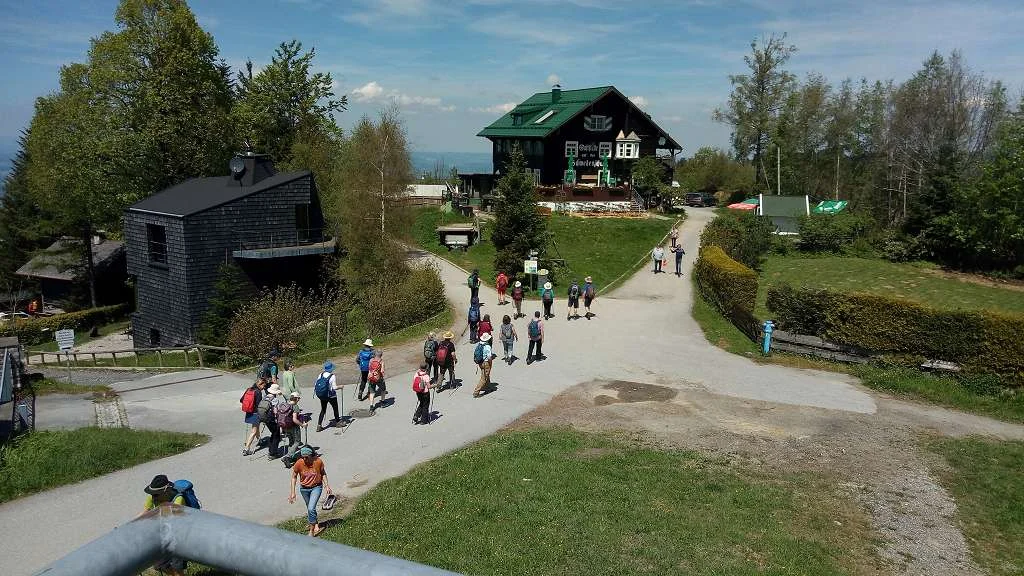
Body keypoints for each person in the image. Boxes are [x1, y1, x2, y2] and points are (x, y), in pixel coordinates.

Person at [141, 475, 187, 574]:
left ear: (166, 490)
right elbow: (144, 513)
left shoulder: (178, 499)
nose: (153, 497)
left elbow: (169, 519)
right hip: (163, 536)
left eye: (156, 494)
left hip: (178, 537)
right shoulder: (152, 497)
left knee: (177, 568)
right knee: (159, 565)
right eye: (152, 494)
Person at [288, 446, 332, 537]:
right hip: (304, 489)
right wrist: (292, 492)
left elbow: (323, 473)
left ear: (312, 456)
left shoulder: (318, 461)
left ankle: (311, 531)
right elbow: (294, 477)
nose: (304, 459)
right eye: (302, 457)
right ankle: (315, 524)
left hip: (316, 487)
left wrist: (327, 486)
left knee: (311, 508)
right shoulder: (299, 463)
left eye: (306, 457)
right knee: (310, 508)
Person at [280, 392, 307, 466]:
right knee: (297, 442)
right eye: (299, 398)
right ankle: (288, 457)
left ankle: (290, 456)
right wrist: (302, 425)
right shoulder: (295, 406)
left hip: (285, 426)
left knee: (291, 442)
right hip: (293, 427)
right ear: (297, 398)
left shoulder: (286, 404)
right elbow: (294, 419)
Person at [241, 378, 265, 456]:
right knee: (253, 431)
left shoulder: (249, 389)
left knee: (256, 427)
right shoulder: (258, 392)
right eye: (263, 385)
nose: (264, 387)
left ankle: (259, 440)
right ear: (260, 384)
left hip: (249, 412)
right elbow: (259, 406)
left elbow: (242, 400)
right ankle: (246, 449)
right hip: (255, 413)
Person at [314, 361, 340, 432]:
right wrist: (340, 387)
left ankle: (319, 425)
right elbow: (334, 388)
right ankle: (338, 422)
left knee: (323, 409)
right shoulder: (332, 376)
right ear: (331, 369)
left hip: (322, 395)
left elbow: (316, 384)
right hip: (331, 395)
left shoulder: (321, 374)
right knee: (335, 408)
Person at [260, 383, 283, 459]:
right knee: (276, 435)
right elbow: (275, 411)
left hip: (265, 418)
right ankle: (273, 453)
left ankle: (271, 450)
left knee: (273, 433)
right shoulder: (275, 400)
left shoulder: (264, 397)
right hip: (272, 419)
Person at [473, 333, 493, 398]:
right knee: (484, 378)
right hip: (486, 363)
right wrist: (490, 363)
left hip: (480, 362)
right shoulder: (487, 346)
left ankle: (488, 388)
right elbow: (489, 357)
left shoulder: (480, 344)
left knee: (486, 375)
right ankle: (476, 392)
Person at [367, 349, 387, 413]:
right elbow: (382, 371)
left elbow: (369, 368)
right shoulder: (381, 361)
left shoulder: (371, 360)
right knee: (383, 389)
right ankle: (382, 402)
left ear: (374, 354)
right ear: (381, 355)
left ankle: (371, 406)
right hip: (379, 378)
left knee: (372, 392)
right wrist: (382, 376)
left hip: (371, 377)